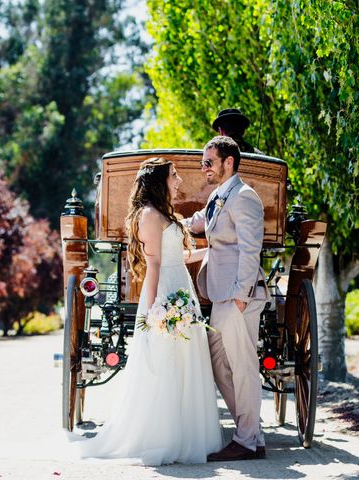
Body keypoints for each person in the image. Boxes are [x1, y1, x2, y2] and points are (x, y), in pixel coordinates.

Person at [71, 157, 222, 465]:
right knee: (165, 363)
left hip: (181, 290)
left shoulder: (165, 213)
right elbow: (153, 265)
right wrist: (153, 311)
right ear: (159, 181)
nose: (179, 180)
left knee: (185, 362)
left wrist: (214, 250)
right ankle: (164, 437)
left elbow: (177, 256)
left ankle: (186, 434)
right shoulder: (150, 215)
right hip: (165, 295)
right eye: (174, 176)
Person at [183, 136, 269, 461]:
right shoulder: (220, 196)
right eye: (204, 162)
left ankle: (246, 442)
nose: (204, 167)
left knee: (243, 368)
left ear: (228, 162)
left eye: (209, 162)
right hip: (221, 296)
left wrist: (241, 297)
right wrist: (167, 221)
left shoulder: (245, 197)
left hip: (238, 297)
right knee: (218, 365)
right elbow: (200, 223)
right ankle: (253, 434)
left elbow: (251, 250)